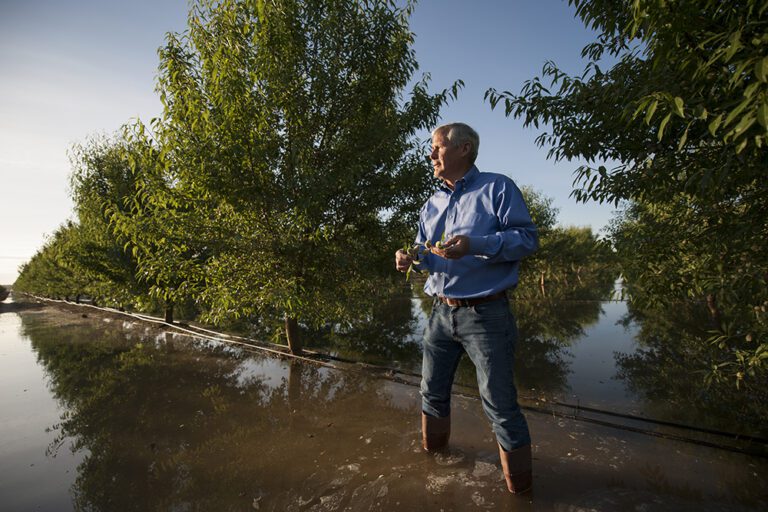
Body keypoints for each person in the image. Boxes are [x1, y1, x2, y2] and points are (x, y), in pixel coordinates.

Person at [395, 122, 538, 494]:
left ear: (464, 149)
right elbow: (425, 254)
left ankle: (521, 495)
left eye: (437, 147)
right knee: (431, 393)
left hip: (487, 316)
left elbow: (526, 240)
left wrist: (474, 244)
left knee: (500, 406)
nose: (430, 155)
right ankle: (429, 468)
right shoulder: (432, 203)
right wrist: (410, 257)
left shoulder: (498, 187)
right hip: (440, 315)